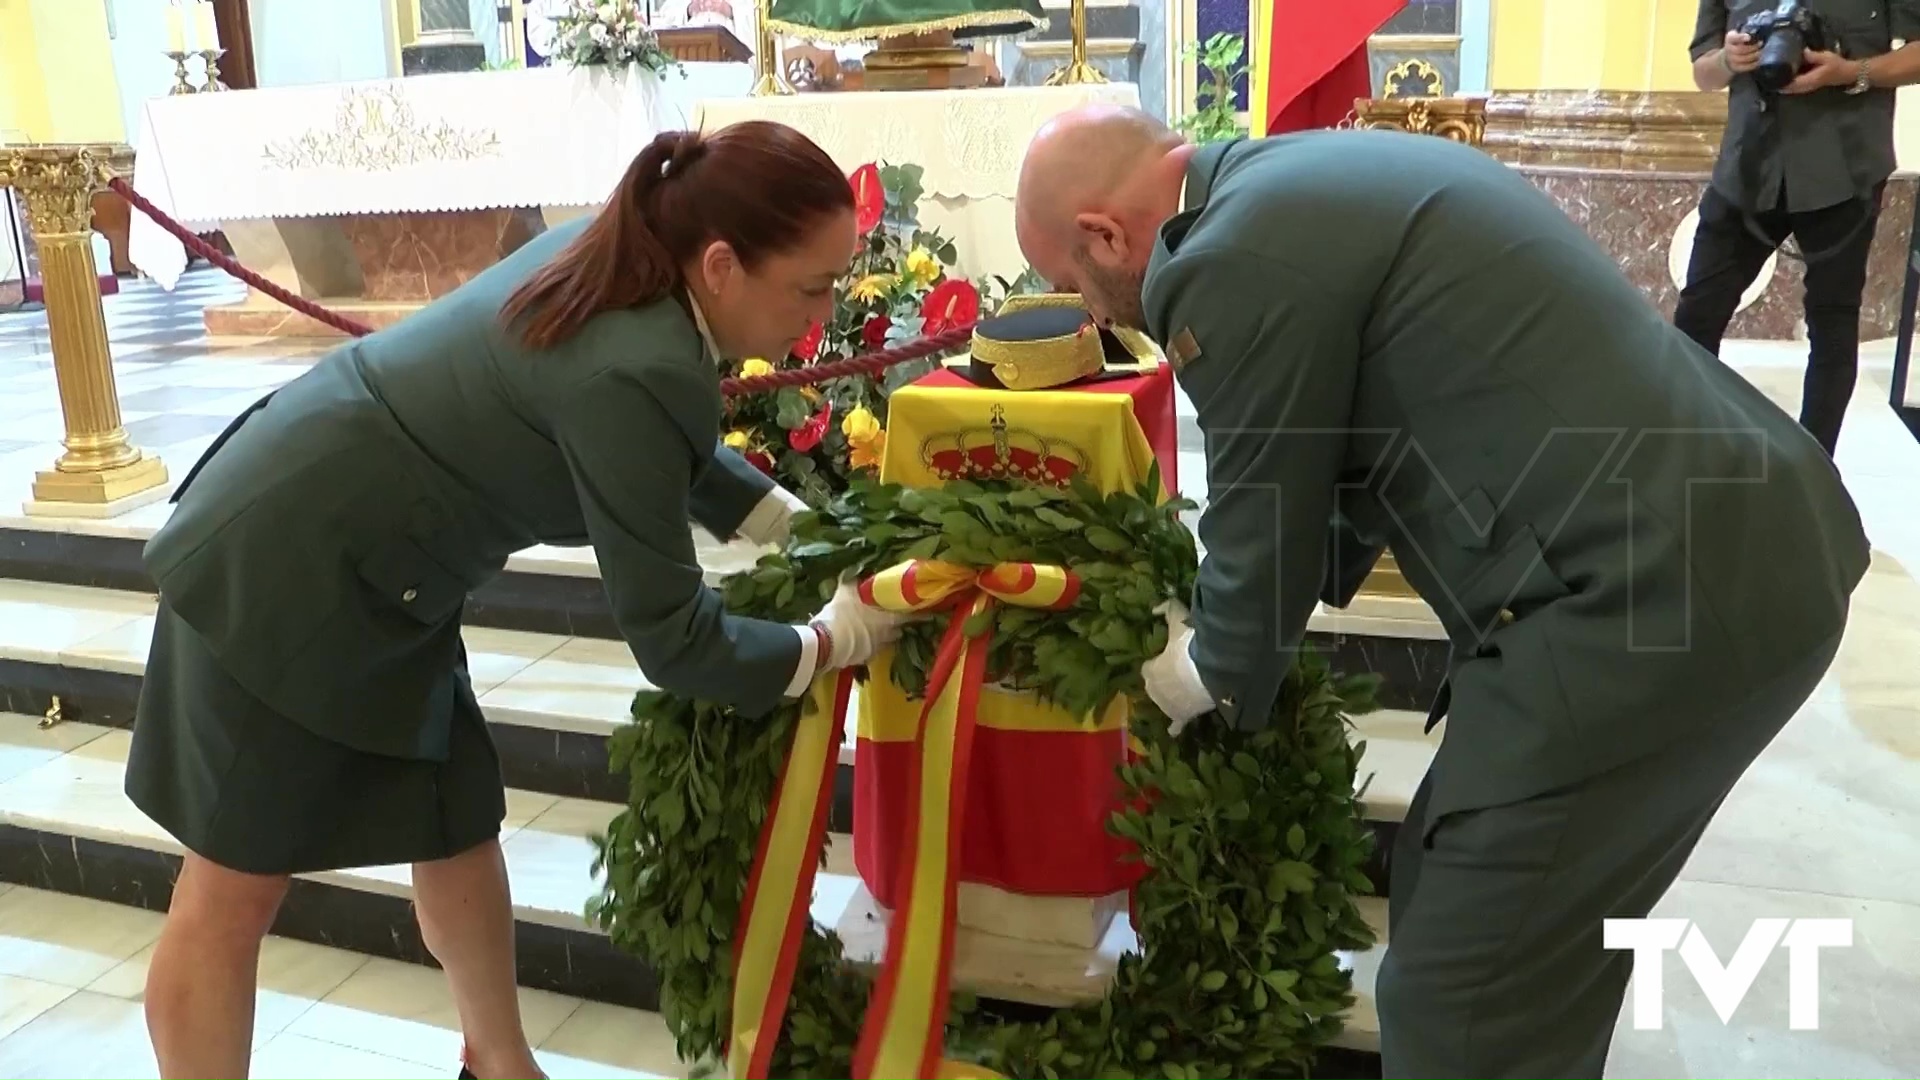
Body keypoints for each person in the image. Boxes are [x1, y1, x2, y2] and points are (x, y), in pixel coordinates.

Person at [1013, 104, 1870, 1079]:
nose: (1089, 317)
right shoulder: (1302, 178)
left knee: (1460, 1002)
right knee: (1497, 930)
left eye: (1068, 285)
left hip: (1642, 597)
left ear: (1103, 234)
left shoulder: (1222, 253)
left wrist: (1202, 669)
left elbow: (1265, 494)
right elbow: (1353, 438)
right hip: (1725, 548)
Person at [126, 121, 909, 1080]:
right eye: (812, 285)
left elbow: (652, 443)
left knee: (452, 817)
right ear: (719, 265)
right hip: (289, 564)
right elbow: (675, 639)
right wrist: (831, 642)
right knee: (232, 888)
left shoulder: (633, 258)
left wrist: (793, 527)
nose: (823, 316)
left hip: (391, 565)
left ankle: (499, 1063)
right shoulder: (639, 352)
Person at [1676, 0, 1920, 456]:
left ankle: (1815, 470)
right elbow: (1702, 72)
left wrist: (1852, 71)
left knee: (1832, 325)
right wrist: (1729, 60)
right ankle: (1681, 451)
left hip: (1845, 173)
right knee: (1695, 318)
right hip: (1746, 171)